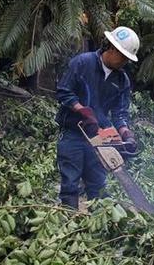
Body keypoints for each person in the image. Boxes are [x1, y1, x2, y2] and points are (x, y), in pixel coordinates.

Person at [55, 26, 140, 209]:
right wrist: (82, 110)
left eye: (127, 58)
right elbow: (64, 91)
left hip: (99, 138)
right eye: (123, 56)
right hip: (73, 133)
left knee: (98, 185)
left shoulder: (121, 80)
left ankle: (96, 227)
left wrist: (125, 133)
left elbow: (120, 112)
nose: (124, 61)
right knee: (70, 183)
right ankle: (68, 222)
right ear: (111, 48)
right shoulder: (83, 63)